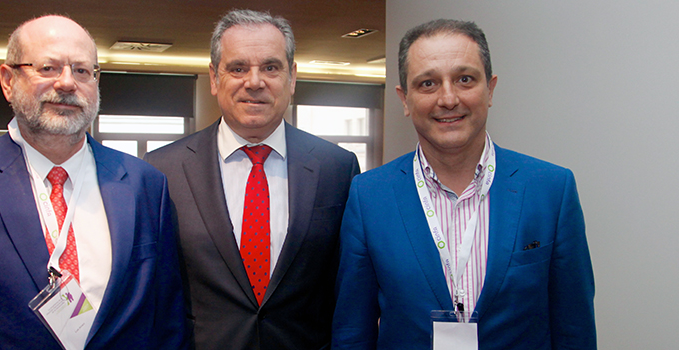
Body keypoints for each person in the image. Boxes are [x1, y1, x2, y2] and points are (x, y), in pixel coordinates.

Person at [0, 15, 188, 349]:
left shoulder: (144, 184)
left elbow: (168, 319)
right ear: (8, 81)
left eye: (82, 70)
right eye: (48, 68)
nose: (67, 83)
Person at [332, 19, 596, 349]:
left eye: (465, 79)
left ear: (490, 89)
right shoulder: (369, 196)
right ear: (404, 99)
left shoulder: (551, 190)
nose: (448, 98)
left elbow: (575, 329)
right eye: (427, 84)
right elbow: (352, 332)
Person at [144, 9, 360, 350]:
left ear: (292, 78)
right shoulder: (163, 169)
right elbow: (155, 289)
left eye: (271, 67)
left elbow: (348, 287)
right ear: (215, 78)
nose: (255, 82)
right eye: (238, 68)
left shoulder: (337, 168)